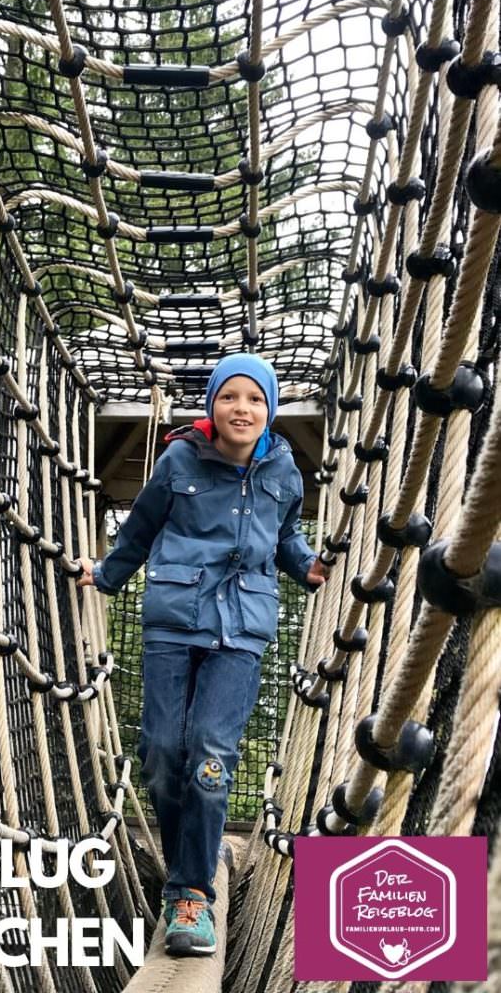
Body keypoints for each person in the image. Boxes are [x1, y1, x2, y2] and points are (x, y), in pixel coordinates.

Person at [77, 353, 328, 957]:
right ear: (212, 405)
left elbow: (286, 535)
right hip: (174, 621)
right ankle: (193, 852)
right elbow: (139, 528)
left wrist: (309, 566)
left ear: (269, 411)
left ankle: (190, 893)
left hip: (241, 631)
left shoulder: (283, 470)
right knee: (163, 755)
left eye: (255, 400)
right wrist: (105, 575)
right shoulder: (179, 460)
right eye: (230, 397)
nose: (242, 409)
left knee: (211, 759)